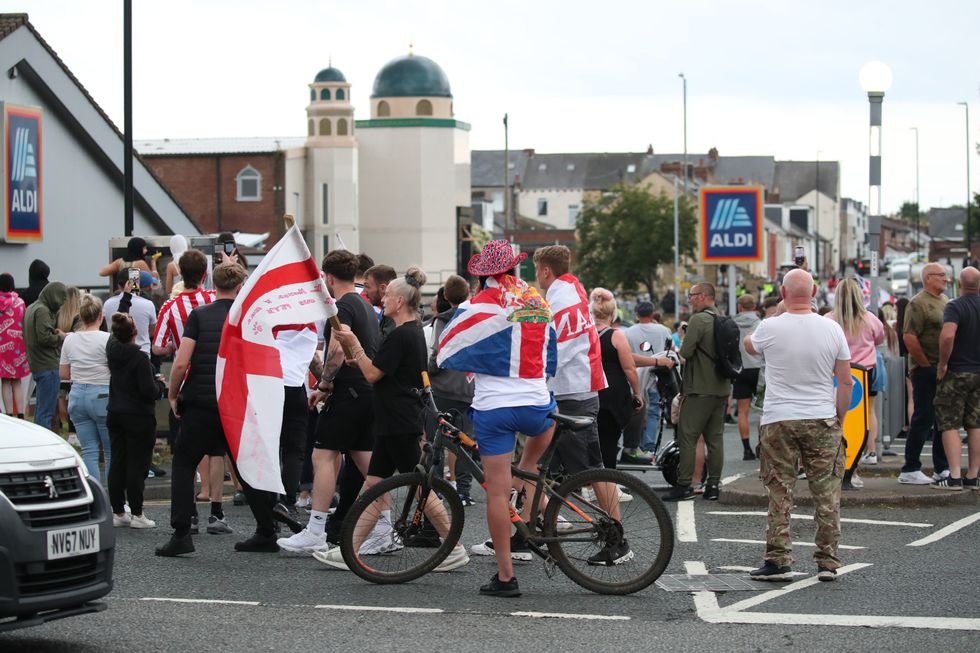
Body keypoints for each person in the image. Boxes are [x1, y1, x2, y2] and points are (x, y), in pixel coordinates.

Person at [316, 267, 470, 572]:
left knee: (421, 487)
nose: (382, 299)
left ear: (400, 301)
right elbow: (382, 370)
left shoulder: (401, 334)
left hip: (399, 420)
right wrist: (358, 358)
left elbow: (374, 374)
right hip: (394, 419)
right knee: (373, 485)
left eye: (387, 295)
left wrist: (357, 348)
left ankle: (453, 548)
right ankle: (351, 550)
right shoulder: (408, 331)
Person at [437, 239, 557, 597]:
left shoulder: (477, 306)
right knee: (530, 468)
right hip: (539, 405)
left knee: (497, 492)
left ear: (482, 275)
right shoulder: (537, 301)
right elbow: (551, 353)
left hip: (496, 410)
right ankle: (532, 511)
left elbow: (446, 350)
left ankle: (506, 576)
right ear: (514, 269)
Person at [743, 268, 852, 582]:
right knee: (827, 492)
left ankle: (778, 560)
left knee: (780, 491)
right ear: (815, 291)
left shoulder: (770, 327)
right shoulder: (832, 330)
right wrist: (838, 418)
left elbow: (749, 346)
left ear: (782, 292)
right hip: (821, 418)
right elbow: (845, 381)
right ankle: (828, 561)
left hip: (779, 419)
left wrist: (777, 314)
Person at [276, 250, 380, 555]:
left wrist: (324, 382)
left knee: (323, 457)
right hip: (365, 391)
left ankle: (316, 529)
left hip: (347, 392)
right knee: (367, 466)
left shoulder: (341, 306)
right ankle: (384, 526)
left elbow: (336, 350)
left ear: (329, 277)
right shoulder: (363, 303)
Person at [156, 263, 258, 557]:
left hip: (201, 401)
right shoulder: (246, 319)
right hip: (235, 402)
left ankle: (181, 532)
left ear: (214, 285)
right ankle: (266, 527)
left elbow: (179, 362)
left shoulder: (199, 315)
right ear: (240, 287)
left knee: (184, 461)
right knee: (245, 464)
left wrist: (173, 395)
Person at [151, 249, 221, 510]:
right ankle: (216, 509)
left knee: (186, 450)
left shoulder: (170, 306)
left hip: (187, 382)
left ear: (179, 273)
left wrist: (175, 346)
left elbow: (157, 347)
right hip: (216, 379)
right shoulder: (214, 298)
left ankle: (189, 511)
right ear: (205, 274)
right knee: (216, 449)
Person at [665, 283, 732, 502]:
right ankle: (713, 486)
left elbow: (685, 352)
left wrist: (685, 338)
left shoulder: (698, 320)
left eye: (692, 296)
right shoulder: (723, 320)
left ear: (703, 296)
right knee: (715, 440)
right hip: (721, 389)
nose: (689, 300)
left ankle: (684, 485)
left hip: (699, 390)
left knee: (688, 437)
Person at [106, 312, 164, 529]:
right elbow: (147, 390)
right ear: (136, 333)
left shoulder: (112, 353)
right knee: (137, 465)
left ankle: (119, 511)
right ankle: (138, 513)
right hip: (138, 416)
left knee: (118, 462)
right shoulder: (140, 358)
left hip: (115, 411)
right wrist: (160, 385)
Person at [899, 263, 950, 485]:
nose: (946, 279)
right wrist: (926, 364)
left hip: (943, 368)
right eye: (941, 275)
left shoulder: (945, 301)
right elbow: (909, 336)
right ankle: (910, 468)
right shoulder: (918, 303)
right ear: (928, 278)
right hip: (925, 369)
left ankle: (942, 467)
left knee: (942, 419)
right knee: (923, 416)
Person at [826, 279, 884, 474]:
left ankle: (837, 454)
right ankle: (871, 450)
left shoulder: (829, 319)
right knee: (869, 411)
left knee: (837, 413)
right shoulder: (870, 319)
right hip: (866, 372)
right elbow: (880, 338)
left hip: (837, 374)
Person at [427, 274, 476, 505]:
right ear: (468, 293)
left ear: (445, 296)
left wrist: (429, 370)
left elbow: (438, 354)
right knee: (465, 443)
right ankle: (464, 491)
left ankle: (435, 489)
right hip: (468, 388)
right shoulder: (476, 317)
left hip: (443, 388)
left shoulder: (443, 319)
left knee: (436, 441)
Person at [932, 266, 980, 490]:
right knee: (975, 423)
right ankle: (972, 475)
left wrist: (943, 363)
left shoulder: (955, 306)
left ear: (959, 285)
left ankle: (954, 476)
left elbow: (948, 334)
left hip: (956, 372)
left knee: (949, 422)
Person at [59, 294, 111, 484]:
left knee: (89, 450)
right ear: (101, 316)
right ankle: (116, 505)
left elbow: (64, 374)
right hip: (103, 395)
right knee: (110, 450)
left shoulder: (70, 340)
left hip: (78, 395)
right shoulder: (107, 339)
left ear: (80, 316)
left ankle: (97, 498)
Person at [590, 288, 644, 470]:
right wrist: (637, 394)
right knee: (609, 442)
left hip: (589, 391)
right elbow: (629, 368)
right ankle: (609, 485)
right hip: (612, 394)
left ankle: (588, 483)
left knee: (591, 441)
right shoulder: (616, 335)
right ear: (613, 313)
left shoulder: (585, 333)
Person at [624, 301, 675, 462]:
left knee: (636, 412)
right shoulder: (663, 330)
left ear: (637, 314)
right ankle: (650, 447)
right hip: (656, 377)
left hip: (634, 379)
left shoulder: (628, 332)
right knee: (653, 412)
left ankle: (635, 446)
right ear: (653, 314)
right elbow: (670, 351)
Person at [23, 281, 68, 433]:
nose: (60, 306)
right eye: (60, 301)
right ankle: (44, 447)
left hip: (37, 364)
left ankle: (37, 441)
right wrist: (61, 337)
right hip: (47, 366)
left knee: (40, 412)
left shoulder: (32, 307)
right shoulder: (42, 310)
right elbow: (44, 338)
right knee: (46, 413)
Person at [733, 294, 763, 460]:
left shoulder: (733, 325)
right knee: (763, 410)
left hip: (741, 368)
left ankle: (746, 450)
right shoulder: (760, 324)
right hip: (758, 369)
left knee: (743, 411)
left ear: (740, 307)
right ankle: (762, 445)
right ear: (754, 307)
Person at [104, 269, 157, 358]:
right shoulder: (148, 304)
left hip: (116, 355)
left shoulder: (107, 304)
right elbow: (152, 331)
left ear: (118, 285)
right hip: (142, 354)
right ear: (135, 283)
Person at [0, 273, 29, 418]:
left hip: (1, 348)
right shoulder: (20, 302)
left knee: (5, 381)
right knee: (17, 381)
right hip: (18, 346)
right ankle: (22, 414)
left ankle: (9, 414)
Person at [363, 264, 397, 336]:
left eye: (367, 287)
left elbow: (385, 346)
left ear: (382, 288)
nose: (364, 293)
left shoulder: (394, 316)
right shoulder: (391, 313)